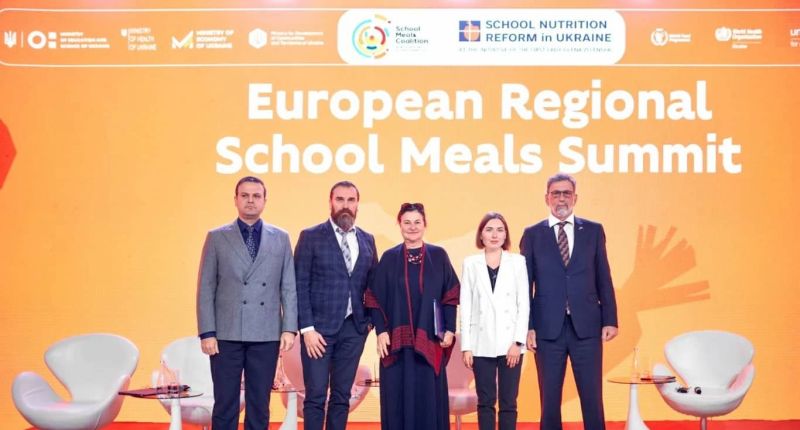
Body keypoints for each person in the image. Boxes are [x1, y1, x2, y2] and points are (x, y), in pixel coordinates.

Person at [196, 176, 298, 430]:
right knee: (225, 403)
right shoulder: (217, 237)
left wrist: (289, 328)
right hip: (226, 334)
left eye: (256, 196)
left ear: (264, 200)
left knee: (259, 404)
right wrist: (207, 332)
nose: (250, 200)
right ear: (235, 199)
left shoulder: (281, 237)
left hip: (266, 333)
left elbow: (288, 286)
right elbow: (206, 287)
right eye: (245, 195)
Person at [520, 173, 619, 430]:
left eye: (566, 193)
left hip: (587, 327)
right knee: (549, 401)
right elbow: (524, 285)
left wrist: (610, 319)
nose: (561, 198)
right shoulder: (532, 234)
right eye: (556, 193)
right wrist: (528, 326)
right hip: (547, 330)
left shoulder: (594, 231)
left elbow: (603, 276)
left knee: (592, 398)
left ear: (575, 197)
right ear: (547, 198)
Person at [366, 202, 459, 430]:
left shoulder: (439, 256)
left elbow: (450, 295)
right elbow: (373, 297)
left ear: (425, 224)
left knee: (429, 400)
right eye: (407, 222)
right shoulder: (389, 258)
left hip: (430, 342)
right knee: (397, 399)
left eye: (417, 222)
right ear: (399, 225)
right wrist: (380, 332)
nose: (412, 227)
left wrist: (449, 329)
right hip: (396, 347)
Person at [294, 181, 378, 430]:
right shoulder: (310, 236)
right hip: (318, 332)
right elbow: (299, 284)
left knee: (342, 397)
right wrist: (307, 329)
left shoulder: (367, 239)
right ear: (330, 202)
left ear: (357, 204)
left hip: (354, 330)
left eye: (351, 200)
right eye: (340, 199)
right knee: (315, 396)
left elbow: (373, 284)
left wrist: (369, 322)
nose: (345, 205)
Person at [460, 212, 530, 430]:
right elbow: (466, 306)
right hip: (480, 343)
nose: (494, 235)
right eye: (489, 229)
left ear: (505, 235)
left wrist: (518, 342)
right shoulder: (470, 263)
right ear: (481, 234)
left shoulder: (517, 262)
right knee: (485, 401)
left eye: (500, 230)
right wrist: (467, 346)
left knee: (508, 402)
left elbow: (524, 304)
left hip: (511, 344)